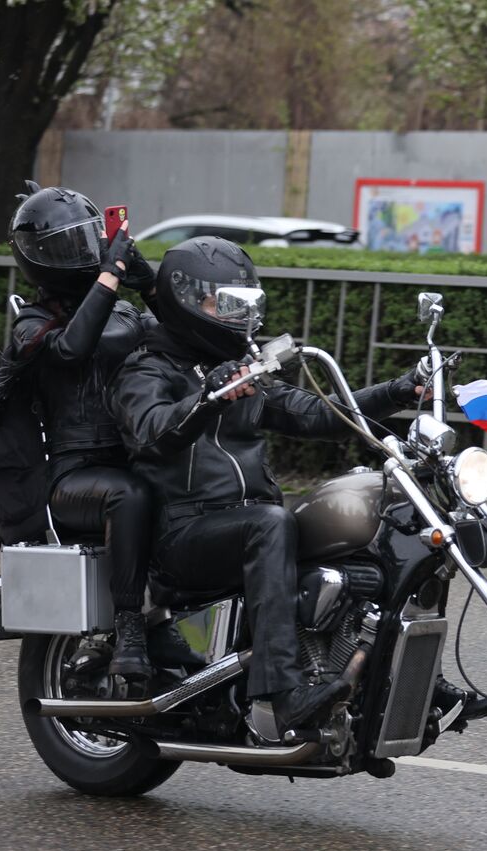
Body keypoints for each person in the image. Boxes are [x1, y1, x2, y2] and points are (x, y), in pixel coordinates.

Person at [109, 237, 426, 732]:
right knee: (272, 524)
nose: (240, 318)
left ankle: (396, 678)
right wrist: (208, 398)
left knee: (374, 515)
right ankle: (282, 691)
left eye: (247, 306)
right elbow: (152, 432)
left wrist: (399, 390)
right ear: (188, 301)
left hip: (244, 522)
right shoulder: (149, 368)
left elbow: (318, 413)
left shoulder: (241, 371)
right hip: (182, 532)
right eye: (225, 305)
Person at [5, 181, 198, 678]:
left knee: (205, 488)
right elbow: (73, 347)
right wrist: (110, 273)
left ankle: (171, 622)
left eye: (86, 238)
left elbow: (185, 340)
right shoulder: (31, 323)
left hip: (131, 459)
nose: (83, 251)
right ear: (39, 257)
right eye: (67, 244)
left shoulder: (125, 310)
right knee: (129, 495)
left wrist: (147, 282)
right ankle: (131, 627)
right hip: (71, 477)